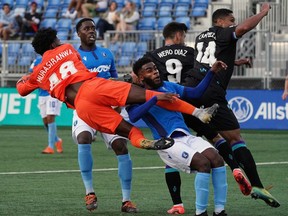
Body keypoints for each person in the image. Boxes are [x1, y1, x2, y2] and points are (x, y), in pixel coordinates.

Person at [16, 28, 217, 156]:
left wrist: (26, 79)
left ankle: (144, 142)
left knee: (130, 132)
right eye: (57, 39)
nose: (60, 41)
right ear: (53, 43)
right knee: (152, 94)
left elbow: (22, 89)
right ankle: (200, 113)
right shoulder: (67, 48)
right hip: (93, 87)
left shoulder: (37, 74)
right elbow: (74, 61)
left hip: (83, 108)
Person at [145, 21, 251, 214]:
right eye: (184, 36)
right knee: (216, 138)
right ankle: (234, 166)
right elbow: (206, 63)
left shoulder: (152, 57)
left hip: (166, 106)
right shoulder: (189, 52)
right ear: (178, 36)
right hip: (188, 101)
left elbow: (139, 77)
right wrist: (232, 62)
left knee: (170, 158)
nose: (184, 39)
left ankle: (177, 203)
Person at [185, 4, 280, 208]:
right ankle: (257, 185)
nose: (233, 23)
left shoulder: (202, 36)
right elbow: (244, 29)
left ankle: (234, 167)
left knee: (216, 136)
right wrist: (262, 13)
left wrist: (234, 62)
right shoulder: (223, 32)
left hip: (191, 89)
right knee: (235, 137)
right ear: (220, 22)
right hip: (212, 90)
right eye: (231, 20)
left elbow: (208, 58)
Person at [127, 57, 228, 216]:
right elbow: (133, 116)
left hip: (186, 136)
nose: (155, 72)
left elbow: (196, 93)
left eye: (155, 68)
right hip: (167, 142)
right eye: (149, 71)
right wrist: (155, 98)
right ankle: (200, 213)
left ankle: (220, 211)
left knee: (217, 159)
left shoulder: (168, 86)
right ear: (140, 78)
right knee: (203, 164)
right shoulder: (138, 96)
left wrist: (212, 72)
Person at [73, 18, 137, 212]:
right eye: (86, 28)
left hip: (109, 107)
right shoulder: (73, 57)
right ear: (79, 34)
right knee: (83, 139)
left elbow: (113, 79)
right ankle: (89, 192)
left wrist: (118, 102)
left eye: (93, 28)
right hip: (85, 106)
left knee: (121, 147)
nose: (91, 31)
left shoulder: (106, 53)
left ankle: (126, 200)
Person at [30, 56, 63, 154]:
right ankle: (57, 140)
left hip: (53, 92)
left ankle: (50, 147)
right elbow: (31, 73)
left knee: (50, 117)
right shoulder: (37, 60)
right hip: (41, 94)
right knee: (45, 121)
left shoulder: (55, 59)